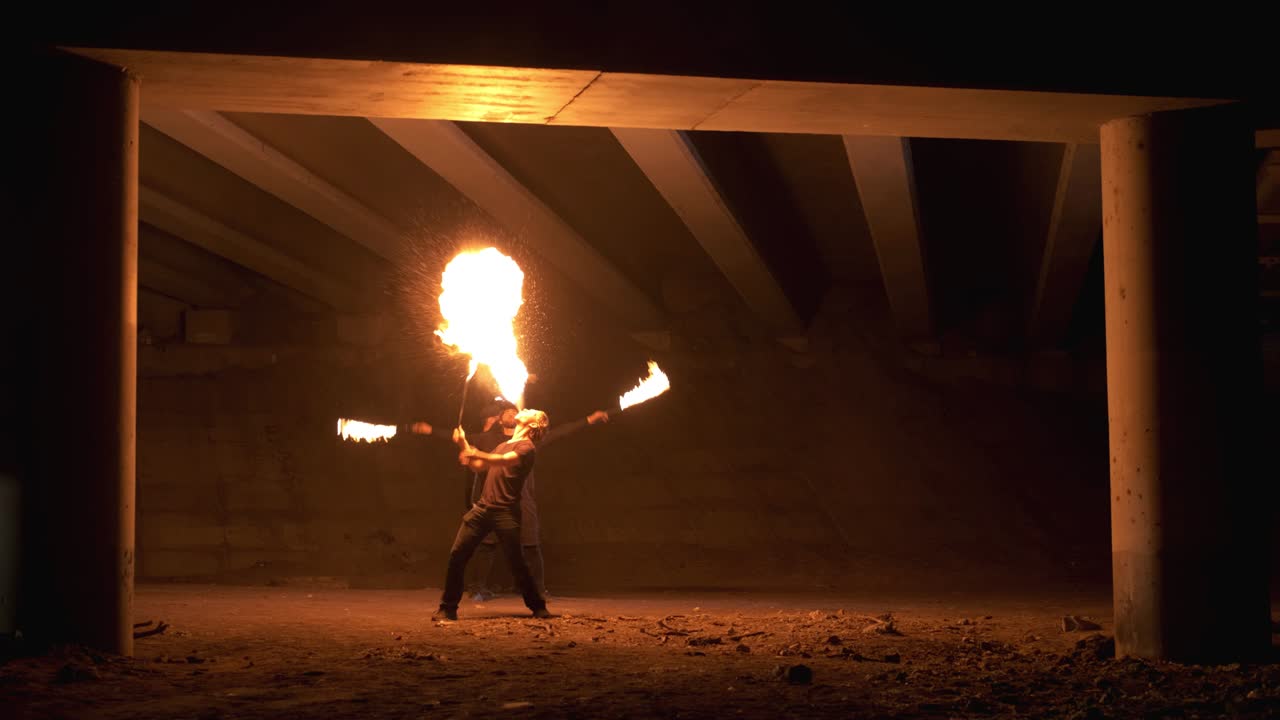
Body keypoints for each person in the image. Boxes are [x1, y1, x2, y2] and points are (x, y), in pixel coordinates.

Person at [466, 401, 610, 600]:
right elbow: (478, 462)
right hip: (494, 498)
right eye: (506, 411)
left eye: (514, 410)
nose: (513, 412)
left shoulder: (528, 444)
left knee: (530, 545)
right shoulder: (491, 440)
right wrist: (461, 444)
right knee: (485, 544)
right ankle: (478, 588)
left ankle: (539, 591)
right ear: (498, 419)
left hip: (521, 498)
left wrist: (589, 419)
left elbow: (559, 432)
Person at [432, 408, 552, 622]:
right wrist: (461, 443)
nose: (524, 408)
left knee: (517, 563)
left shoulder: (527, 448)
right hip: (482, 509)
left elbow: (503, 461)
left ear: (533, 424)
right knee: (457, 555)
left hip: (505, 512)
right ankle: (448, 607)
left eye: (530, 411)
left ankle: (538, 606)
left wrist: (474, 452)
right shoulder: (501, 445)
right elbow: (479, 466)